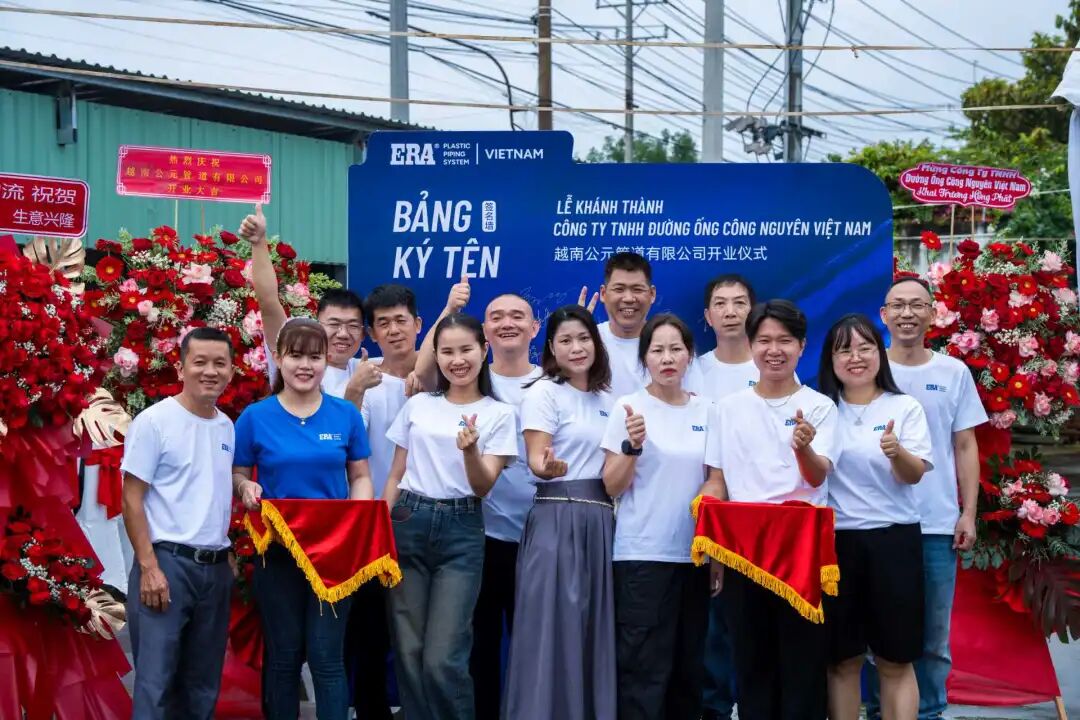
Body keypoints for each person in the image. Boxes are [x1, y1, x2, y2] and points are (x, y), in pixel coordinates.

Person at [701, 299, 839, 720]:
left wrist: (804, 448)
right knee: (751, 663)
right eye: (764, 340)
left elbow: (817, 476)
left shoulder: (820, 406)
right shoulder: (727, 408)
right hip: (743, 551)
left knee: (803, 665)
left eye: (785, 341)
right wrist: (712, 547)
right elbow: (717, 480)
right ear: (751, 344)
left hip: (801, 551)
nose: (774, 350)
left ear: (802, 346)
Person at [232, 318, 375, 720]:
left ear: (327, 361)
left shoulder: (345, 414)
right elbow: (238, 473)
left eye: (315, 356)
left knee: (327, 657)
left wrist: (358, 518)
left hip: (334, 555)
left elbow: (360, 476)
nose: (305, 365)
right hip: (277, 552)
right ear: (278, 358)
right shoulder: (255, 417)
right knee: (284, 657)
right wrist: (245, 487)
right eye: (295, 355)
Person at [382, 313, 519, 720]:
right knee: (409, 650)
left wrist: (470, 451)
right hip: (407, 520)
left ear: (483, 350)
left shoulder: (499, 414)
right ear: (436, 356)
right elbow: (395, 474)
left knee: (444, 657)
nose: (457, 360)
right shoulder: (419, 405)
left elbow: (482, 486)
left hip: (462, 530)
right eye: (447, 352)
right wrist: (380, 532)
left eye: (465, 350)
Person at [868, 278, 986, 720]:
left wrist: (968, 513)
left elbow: (965, 445)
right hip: (877, 523)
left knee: (934, 638)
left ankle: (931, 713)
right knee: (880, 633)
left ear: (933, 314)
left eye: (917, 305)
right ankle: (881, 712)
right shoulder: (865, 367)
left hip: (935, 523)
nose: (907, 313)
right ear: (883, 315)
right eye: (897, 305)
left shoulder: (953, 372)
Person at [502, 304, 617, 720]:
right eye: (566, 340)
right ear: (551, 347)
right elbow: (537, 456)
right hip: (557, 516)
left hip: (602, 521)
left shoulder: (609, 399)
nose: (576, 347)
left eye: (584, 338)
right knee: (552, 628)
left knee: (592, 628)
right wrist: (546, 468)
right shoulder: (543, 392)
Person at [818, 314, 933, 720]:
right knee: (841, 659)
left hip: (893, 540)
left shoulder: (904, 407)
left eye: (865, 348)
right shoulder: (820, 409)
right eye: (844, 350)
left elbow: (913, 475)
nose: (856, 357)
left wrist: (896, 452)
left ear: (879, 355)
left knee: (895, 659)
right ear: (830, 359)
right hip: (837, 544)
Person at [121, 327, 237, 720]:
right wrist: (149, 567)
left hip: (215, 569)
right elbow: (131, 498)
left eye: (220, 363)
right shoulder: (155, 422)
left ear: (232, 370)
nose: (210, 371)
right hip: (167, 565)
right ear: (181, 367)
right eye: (200, 362)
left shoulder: (226, 426)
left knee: (203, 685)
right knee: (156, 683)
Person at [601, 313, 711, 720]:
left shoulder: (707, 411)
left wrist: (714, 552)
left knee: (688, 670)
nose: (667, 358)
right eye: (657, 350)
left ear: (689, 356)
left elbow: (715, 482)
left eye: (675, 349)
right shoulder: (629, 408)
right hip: (641, 557)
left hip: (694, 558)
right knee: (642, 671)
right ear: (644, 357)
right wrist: (632, 446)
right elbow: (612, 485)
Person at [348, 283, 422, 720]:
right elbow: (343, 442)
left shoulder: (443, 374)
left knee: (421, 635)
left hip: (428, 524)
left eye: (401, 320)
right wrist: (355, 391)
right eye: (383, 324)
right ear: (372, 334)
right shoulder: (364, 378)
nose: (394, 330)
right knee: (371, 634)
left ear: (418, 324)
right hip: (374, 524)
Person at [686, 273, 758, 720]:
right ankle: (712, 709)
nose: (730, 311)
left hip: (755, 516)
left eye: (739, 302)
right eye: (721, 303)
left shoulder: (771, 367)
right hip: (702, 511)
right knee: (710, 627)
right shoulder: (693, 370)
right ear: (708, 316)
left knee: (751, 627)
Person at [470, 292, 543, 720]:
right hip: (481, 537)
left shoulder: (553, 383)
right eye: (496, 317)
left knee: (533, 646)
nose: (507, 323)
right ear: (485, 332)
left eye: (518, 316)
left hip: (541, 539)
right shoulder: (470, 380)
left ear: (535, 328)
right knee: (480, 645)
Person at [239, 204, 381, 403]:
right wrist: (258, 242)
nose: (343, 334)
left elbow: (408, 360)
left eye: (352, 326)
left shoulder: (367, 370)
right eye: (334, 324)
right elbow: (268, 302)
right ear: (317, 325)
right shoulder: (294, 354)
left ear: (364, 334)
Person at [589, 252, 656, 400]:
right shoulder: (588, 341)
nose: (628, 299)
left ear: (652, 294)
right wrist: (577, 334)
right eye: (619, 289)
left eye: (637, 289)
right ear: (603, 293)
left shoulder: (671, 344)